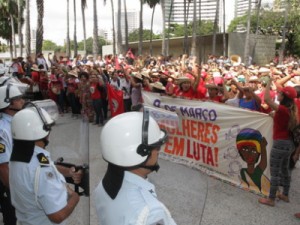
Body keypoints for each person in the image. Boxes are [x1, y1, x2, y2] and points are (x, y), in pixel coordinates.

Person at [95, 110, 177, 225]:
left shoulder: (102, 187)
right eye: (156, 147)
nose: (158, 150)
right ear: (140, 153)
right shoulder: (151, 213)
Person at [9, 104, 80, 225]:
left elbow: (47, 167)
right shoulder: (41, 169)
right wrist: (75, 197)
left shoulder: (19, 156)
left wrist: (67, 173)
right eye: (48, 128)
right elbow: (57, 216)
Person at [258, 81, 298, 206]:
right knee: (285, 169)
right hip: (288, 144)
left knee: (275, 172)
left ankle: (271, 199)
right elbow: (278, 115)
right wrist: (273, 114)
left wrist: (269, 82)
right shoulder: (289, 110)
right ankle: (285, 194)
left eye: (280, 93)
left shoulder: (282, 109)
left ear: (284, 97)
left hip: (280, 144)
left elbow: (267, 99)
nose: (278, 94)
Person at [0, 84, 25, 225]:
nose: (22, 101)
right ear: (7, 103)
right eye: (17, 98)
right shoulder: (2, 129)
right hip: (8, 185)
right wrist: (16, 194)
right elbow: (3, 167)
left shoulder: (15, 123)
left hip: (17, 181)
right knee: (12, 219)